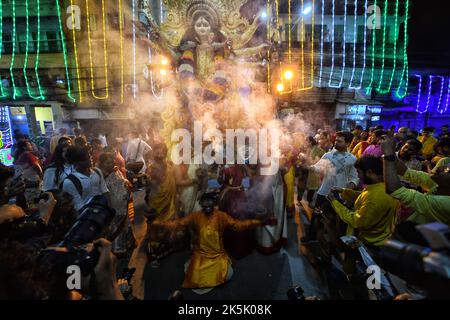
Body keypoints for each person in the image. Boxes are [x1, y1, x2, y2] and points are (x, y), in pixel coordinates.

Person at [150, 193, 263, 295]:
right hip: (201, 256)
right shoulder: (195, 216)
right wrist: (159, 224)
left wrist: (256, 222)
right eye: (204, 201)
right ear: (200, 203)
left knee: (228, 274)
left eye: (210, 201)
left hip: (217, 256)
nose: (207, 204)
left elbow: (238, 225)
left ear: (214, 203)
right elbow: (179, 223)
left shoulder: (221, 216)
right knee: (194, 277)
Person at [328, 156, 398, 248]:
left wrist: (334, 202)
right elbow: (363, 195)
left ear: (369, 172)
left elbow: (356, 221)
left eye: (359, 172)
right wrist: (344, 191)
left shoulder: (375, 198)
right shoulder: (382, 186)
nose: (358, 176)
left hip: (370, 242)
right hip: (382, 237)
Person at [381, 136, 450, 225]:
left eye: (447, 170)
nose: (440, 167)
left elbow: (394, 190)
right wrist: (390, 152)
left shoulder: (446, 204)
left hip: (422, 237)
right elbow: (405, 171)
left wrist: (388, 154)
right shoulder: (437, 183)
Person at [98, 153, 135, 257]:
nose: (110, 164)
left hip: (123, 203)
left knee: (126, 224)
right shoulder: (100, 175)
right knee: (116, 227)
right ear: (101, 164)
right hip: (113, 206)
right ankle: (118, 249)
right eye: (107, 163)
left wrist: (127, 183)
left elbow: (122, 180)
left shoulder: (115, 170)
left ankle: (128, 243)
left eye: (112, 162)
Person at [309, 131, 359, 209]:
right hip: (323, 192)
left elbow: (355, 177)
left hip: (340, 196)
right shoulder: (328, 155)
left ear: (347, 144)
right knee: (318, 218)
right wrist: (308, 166)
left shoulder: (353, 159)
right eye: (336, 140)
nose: (336, 143)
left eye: (339, 141)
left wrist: (348, 188)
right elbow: (318, 168)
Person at [61, 146, 110, 213]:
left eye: (89, 157)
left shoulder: (97, 171)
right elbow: (78, 206)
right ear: (76, 162)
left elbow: (105, 191)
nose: (90, 159)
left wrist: (108, 209)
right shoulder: (70, 181)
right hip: (85, 217)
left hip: (102, 211)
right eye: (86, 159)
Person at [13, 140, 43, 208]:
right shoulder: (28, 155)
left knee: (29, 201)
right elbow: (37, 167)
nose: (31, 146)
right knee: (35, 201)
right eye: (29, 145)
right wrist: (41, 177)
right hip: (33, 180)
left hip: (26, 181)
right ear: (24, 147)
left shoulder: (18, 155)